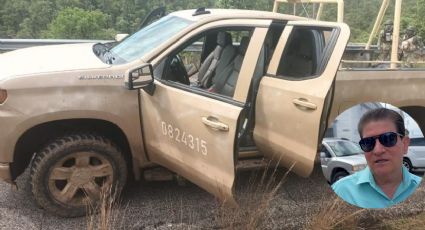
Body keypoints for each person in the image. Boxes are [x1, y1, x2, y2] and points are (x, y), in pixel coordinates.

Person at [332, 108, 422, 209]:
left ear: (405, 144)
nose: (378, 150)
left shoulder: (420, 188)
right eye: (368, 143)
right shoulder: (341, 191)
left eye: (388, 139)